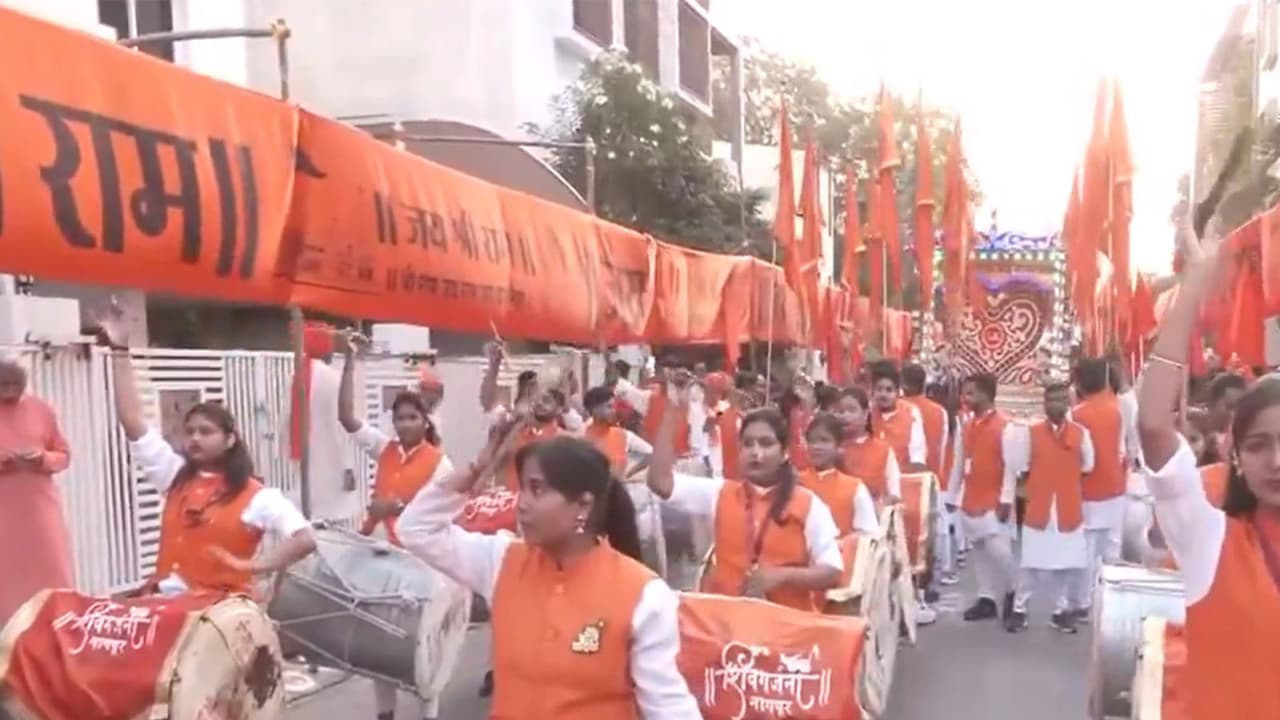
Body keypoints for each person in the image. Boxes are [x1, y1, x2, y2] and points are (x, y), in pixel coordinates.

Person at [397, 429, 702, 719]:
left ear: (583, 505)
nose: (521, 503)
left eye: (537, 489)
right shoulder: (502, 561)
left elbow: (668, 707)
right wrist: (476, 469)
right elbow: (415, 529)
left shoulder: (644, 595)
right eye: (523, 488)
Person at [1136, 228, 1280, 720]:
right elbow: (1153, 425)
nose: (1276, 461)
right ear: (1234, 456)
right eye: (1258, 446)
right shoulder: (1210, 540)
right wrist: (1194, 285)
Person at [98, 315, 315, 597]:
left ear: (229, 440)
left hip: (219, 609)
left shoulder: (257, 496)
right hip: (164, 600)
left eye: (206, 432)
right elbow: (132, 422)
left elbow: (305, 538)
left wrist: (255, 566)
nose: (195, 438)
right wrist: (119, 350)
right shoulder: (175, 476)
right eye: (190, 432)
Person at [644, 379, 843, 612]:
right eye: (748, 444)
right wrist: (673, 409)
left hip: (787, 625)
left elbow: (832, 571)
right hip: (726, 622)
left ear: (785, 453)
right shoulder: (721, 493)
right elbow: (660, 482)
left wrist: (781, 576)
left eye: (766, 444)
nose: (756, 453)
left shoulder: (808, 505)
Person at [338, 343, 451, 720]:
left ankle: (428, 713)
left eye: (411, 418)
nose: (404, 424)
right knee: (379, 642)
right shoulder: (384, 449)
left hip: (420, 563)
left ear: (425, 422)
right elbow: (346, 417)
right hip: (379, 558)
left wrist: (397, 507)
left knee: (423, 647)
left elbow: (444, 513)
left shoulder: (441, 463)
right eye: (399, 418)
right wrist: (350, 361)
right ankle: (384, 713)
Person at [1006, 382, 1093, 634]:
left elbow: (1088, 465)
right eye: (1051, 400)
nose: (1056, 404)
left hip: (1068, 508)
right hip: (1040, 507)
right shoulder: (1030, 433)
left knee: (1063, 566)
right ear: (1044, 405)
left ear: (1068, 403)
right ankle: (1019, 609)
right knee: (1030, 564)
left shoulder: (1081, 434)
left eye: (1061, 399)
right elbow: (1020, 465)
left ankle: (1059, 611)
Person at [0, 359, 74, 624]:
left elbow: (64, 454)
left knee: (52, 566)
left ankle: (57, 622)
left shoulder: (41, 409)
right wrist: (6, 460)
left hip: (40, 506)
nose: (11, 391)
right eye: (4, 386)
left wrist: (42, 459)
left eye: (16, 385)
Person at [946, 373, 1022, 622]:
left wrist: (1007, 499)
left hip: (995, 499)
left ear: (986, 394)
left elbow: (1011, 468)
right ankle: (986, 598)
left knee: (1000, 553)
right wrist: (952, 495)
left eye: (970, 393)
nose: (965, 398)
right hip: (971, 498)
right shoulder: (966, 426)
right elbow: (958, 463)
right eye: (964, 393)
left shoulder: (1006, 426)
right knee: (979, 552)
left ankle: (1013, 595)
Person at [1069, 357, 1126, 621]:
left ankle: (1083, 603)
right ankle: (1112, 600)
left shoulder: (1076, 414)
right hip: (1116, 486)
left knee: (1087, 549)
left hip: (1087, 489)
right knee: (1111, 548)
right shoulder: (1118, 409)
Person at [615, 360, 708, 476]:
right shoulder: (649, 398)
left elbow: (698, 439)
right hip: (653, 464)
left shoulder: (695, 402)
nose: (669, 375)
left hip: (684, 465)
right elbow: (623, 389)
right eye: (664, 372)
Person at [798, 412, 879, 536]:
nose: (817, 447)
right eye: (812, 441)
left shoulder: (854, 487)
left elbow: (869, 533)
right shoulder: (796, 483)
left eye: (824, 441)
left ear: (838, 446)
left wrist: (841, 543)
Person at [834, 387, 902, 503]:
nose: (845, 415)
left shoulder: (883, 449)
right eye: (840, 411)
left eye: (851, 410)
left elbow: (894, 492)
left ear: (865, 414)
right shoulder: (831, 449)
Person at [868, 360, 929, 472]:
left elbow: (917, 454)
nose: (883, 394)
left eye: (889, 390)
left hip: (903, 476)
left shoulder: (911, 412)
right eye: (879, 389)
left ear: (897, 392)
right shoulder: (867, 411)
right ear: (872, 391)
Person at [581, 386, 653, 479]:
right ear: (594, 410)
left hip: (617, 486)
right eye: (609, 407)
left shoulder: (624, 435)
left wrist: (629, 473)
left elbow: (653, 454)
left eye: (613, 407)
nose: (614, 411)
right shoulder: (581, 436)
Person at [901, 363, 949, 481]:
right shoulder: (940, 412)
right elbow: (942, 452)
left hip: (903, 479)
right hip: (931, 479)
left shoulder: (897, 408)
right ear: (924, 384)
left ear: (902, 384)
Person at [700, 371, 740, 480]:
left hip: (720, 461)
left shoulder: (725, 408)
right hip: (698, 458)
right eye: (706, 389)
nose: (707, 393)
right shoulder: (696, 405)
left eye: (712, 390)